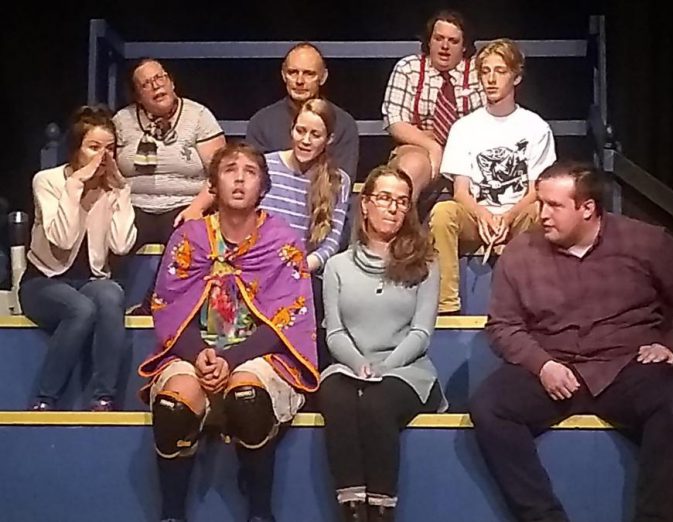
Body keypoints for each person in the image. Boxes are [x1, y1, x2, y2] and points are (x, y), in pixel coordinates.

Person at [470, 161, 673, 522]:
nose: (542, 214)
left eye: (554, 206)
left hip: (626, 366)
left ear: (587, 208)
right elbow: (503, 325)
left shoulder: (646, 241)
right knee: (489, 406)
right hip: (554, 366)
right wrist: (541, 365)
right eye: (541, 203)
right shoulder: (520, 253)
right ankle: (544, 517)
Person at [138, 141, 319, 522]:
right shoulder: (189, 238)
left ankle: (259, 513)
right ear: (213, 184)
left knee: (247, 397)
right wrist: (201, 356)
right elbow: (167, 307)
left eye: (250, 171)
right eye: (229, 170)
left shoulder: (281, 240)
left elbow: (288, 316)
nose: (239, 179)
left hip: (261, 356)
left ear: (263, 187)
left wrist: (230, 359)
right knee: (173, 407)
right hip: (193, 354)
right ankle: (172, 514)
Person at [319, 165, 446, 522]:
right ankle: (352, 509)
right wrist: (360, 364)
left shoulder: (426, 262)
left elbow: (421, 333)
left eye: (402, 202)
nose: (393, 208)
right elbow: (335, 332)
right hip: (350, 364)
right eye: (385, 198)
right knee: (335, 393)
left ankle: (381, 512)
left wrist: (384, 368)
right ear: (366, 204)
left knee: (375, 400)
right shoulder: (338, 266)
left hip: (406, 370)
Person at [19, 106, 137, 411]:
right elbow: (62, 239)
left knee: (111, 294)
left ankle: (103, 397)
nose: (103, 157)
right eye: (94, 148)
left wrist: (121, 194)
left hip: (90, 280)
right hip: (43, 282)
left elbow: (122, 245)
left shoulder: (112, 189)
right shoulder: (48, 181)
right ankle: (45, 399)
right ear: (76, 149)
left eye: (109, 149)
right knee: (81, 310)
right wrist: (75, 186)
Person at [429, 38, 556, 314]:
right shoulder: (464, 127)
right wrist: (484, 216)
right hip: (477, 218)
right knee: (443, 213)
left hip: (517, 216)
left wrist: (507, 218)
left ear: (516, 77)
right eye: (485, 72)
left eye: (500, 71)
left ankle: (534, 301)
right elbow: (461, 191)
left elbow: (537, 189)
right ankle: (446, 305)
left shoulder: (535, 127)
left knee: (539, 211)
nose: (491, 79)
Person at [113, 58, 226, 313]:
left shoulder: (198, 116)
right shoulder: (123, 121)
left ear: (171, 82)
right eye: (146, 84)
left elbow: (220, 173)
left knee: (187, 236)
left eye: (160, 78)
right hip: (133, 205)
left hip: (183, 203)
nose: (156, 86)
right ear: (138, 96)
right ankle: (108, 303)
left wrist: (197, 207)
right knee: (110, 235)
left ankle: (154, 304)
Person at [259, 98, 351, 369]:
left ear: (329, 139)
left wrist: (301, 266)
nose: (306, 140)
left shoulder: (338, 180)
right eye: (301, 131)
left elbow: (331, 243)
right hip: (261, 267)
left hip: (304, 272)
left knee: (314, 295)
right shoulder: (265, 167)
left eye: (315, 134)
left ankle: (310, 375)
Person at [382, 9, 484, 200]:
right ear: (429, 41)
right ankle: (402, 225)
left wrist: (454, 147)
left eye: (453, 41)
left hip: (470, 152)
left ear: (464, 47)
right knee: (412, 165)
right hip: (419, 148)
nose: (445, 46)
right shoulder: (408, 68)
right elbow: (395, 122)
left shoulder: (478, 72)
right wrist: (432, 146)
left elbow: (488, 122)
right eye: (439, 38)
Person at [246, 42, 359, 182]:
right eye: (293, 72)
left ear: (323, 77)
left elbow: (341, 183)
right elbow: (253, 179)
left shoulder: (343, 124)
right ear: (283, 75)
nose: (299, 81)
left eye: (309, 74)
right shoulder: (261, 123)